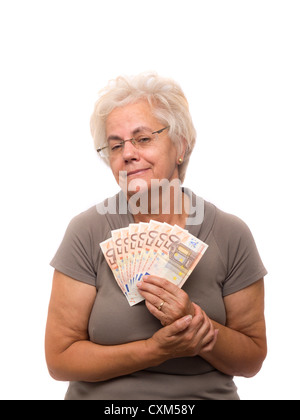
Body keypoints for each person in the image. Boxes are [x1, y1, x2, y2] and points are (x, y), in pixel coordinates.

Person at [45, 72, 267, 400]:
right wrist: (153, 350)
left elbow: (251, 359)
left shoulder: (230, 234)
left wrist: (194, 321)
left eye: (143, 138)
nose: (127, 153)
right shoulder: (87, 231)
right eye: (115, 145)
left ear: (180, 144)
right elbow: (59, 360)